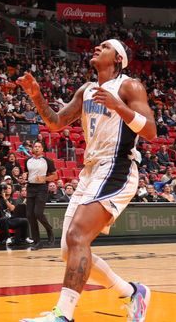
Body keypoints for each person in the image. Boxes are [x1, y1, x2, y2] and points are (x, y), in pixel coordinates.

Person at [19, 39, 154, 322]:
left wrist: (120, 107)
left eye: (104, 47)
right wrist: (36, 97)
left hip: (116, 166)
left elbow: (151, 130)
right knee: (70, 251)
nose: (97, 48)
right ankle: (132, 292)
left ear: (118, 58)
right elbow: (56, 122)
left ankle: (63, 314)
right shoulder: (87, 90)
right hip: (91, 170)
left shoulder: (130, 86)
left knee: (77, 236)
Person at [26, 141, 58, 248]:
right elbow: (26, 173)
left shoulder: (48, 161)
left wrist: (44, 178)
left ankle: (49, 230)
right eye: (35, 146)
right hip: (30, 188)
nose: (36, 148)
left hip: (42, 188)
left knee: (38, 213)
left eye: (39, 147)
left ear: (42, 149)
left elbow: (55, 175)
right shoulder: (27, 160)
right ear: (32, 148)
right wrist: (24, 176)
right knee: (30, 215)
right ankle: (37, 242)